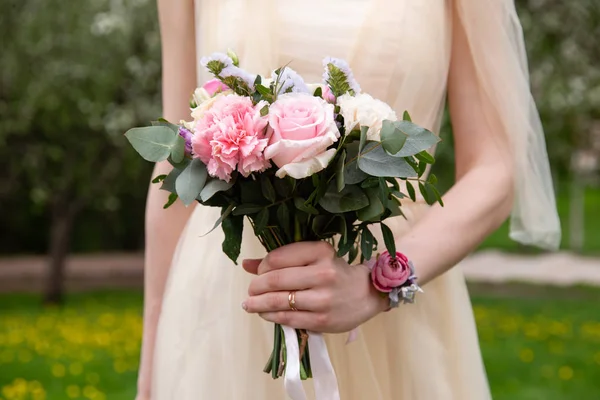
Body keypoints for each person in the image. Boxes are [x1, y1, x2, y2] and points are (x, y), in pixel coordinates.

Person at [136, 0, 561, 399]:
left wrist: (381, 283)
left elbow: (496, 165)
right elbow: (180, 153)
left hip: (394, 309)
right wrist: (152, 354)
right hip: (222, 309)